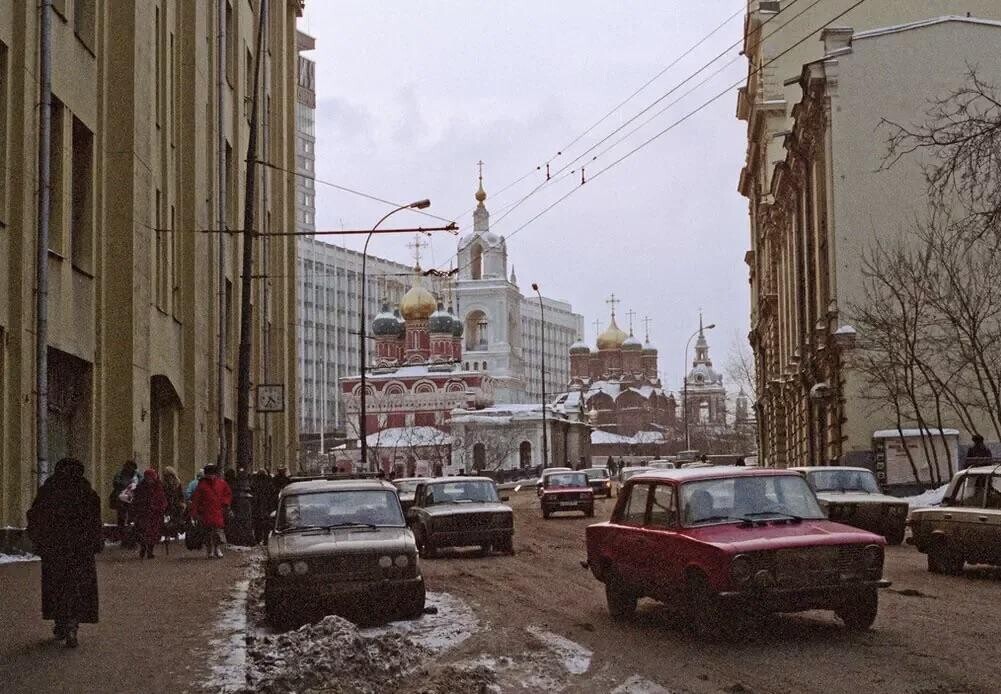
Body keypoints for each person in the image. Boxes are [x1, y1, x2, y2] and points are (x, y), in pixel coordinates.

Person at [26, 458, 103, 648]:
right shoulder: (87, 492)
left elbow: (35, 516)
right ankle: (72, 624)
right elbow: (95, 522)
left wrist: (39, 540)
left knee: (56, 586)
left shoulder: (49, 491)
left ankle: (61, 622)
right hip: (80, 551)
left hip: (55, 551)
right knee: (76, 587)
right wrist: (95, 542)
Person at [190, 464, 233, 558]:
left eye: (211, 474)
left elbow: (227, 494)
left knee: (218, 532)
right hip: (206, 512)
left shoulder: (221, 483)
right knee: (208, 533)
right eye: (209, 474)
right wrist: (194, 512)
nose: (210, 476)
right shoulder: (202, 485)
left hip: (217, 511)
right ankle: (210, 550)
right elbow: (196, 500)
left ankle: (217, 548)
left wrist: (225, 503)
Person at [132, 469, 167, 559]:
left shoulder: (159, 486)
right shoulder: (141, 487)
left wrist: (162, 507)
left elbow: (162, 498)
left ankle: (150, 551)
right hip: (144, 513)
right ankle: (143, 548)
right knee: (144, 532)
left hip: (156, 514)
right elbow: (136, 500)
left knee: (153, 533)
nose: (150, 479)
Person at [110, 460, 139, 545]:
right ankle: (123, 537)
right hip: (121, 499)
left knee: (131, 518)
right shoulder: (120, 474)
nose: (129, 469)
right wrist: (127, 486)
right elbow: (116, 483)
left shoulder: (136, 475)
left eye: (131, 467)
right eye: (128, 466)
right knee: (121, 518)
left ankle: (130, 538)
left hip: (132, 499)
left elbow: (140, 482)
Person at [161, 466, 186, 543]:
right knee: (167, 521)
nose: (168, 477)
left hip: (176, 504)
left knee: (176, 520)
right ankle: (167, 535)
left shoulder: (177, 483)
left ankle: (175, 533)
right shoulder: (163, 484)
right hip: (167, 504)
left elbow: (180, 494)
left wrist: (182, 502)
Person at [250, 469, 273, 544]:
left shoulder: (255, 482)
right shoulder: (268, 483)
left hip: (259, 507)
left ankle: (259, 539)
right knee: (265, 524)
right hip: (264, 507)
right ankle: (264, 539)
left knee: (259, 525)